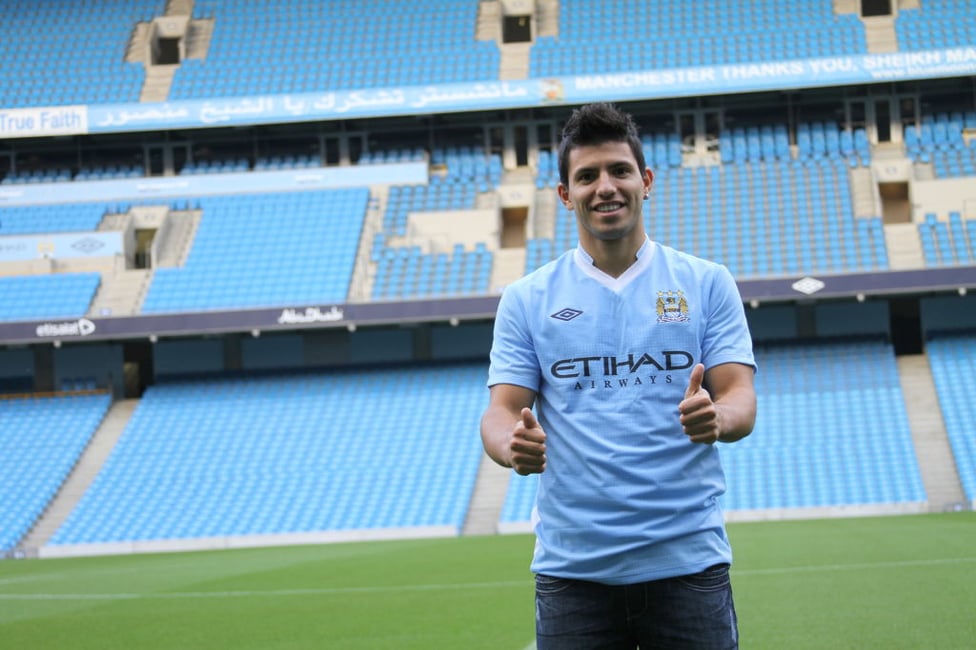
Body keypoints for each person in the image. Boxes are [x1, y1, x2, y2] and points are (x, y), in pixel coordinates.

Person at [480, 102, 757, 649]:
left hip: (688, 564)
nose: (605, 187)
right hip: (575, 572)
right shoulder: (527, 299)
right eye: (586, 176)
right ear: (565, 194)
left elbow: (740, 397)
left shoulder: (706, 283)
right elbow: (500, 411)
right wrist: (511, 446)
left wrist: (718, 418)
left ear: (646, 181)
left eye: (619, 171)